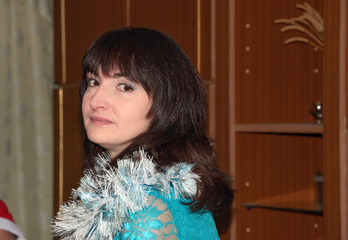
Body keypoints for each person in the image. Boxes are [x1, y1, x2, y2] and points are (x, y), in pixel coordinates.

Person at [52, 27, 234, 239]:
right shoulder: (148, 189)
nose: (95, 101)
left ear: (168, 104)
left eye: (125, 87)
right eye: (94, 82)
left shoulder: (148, 210)